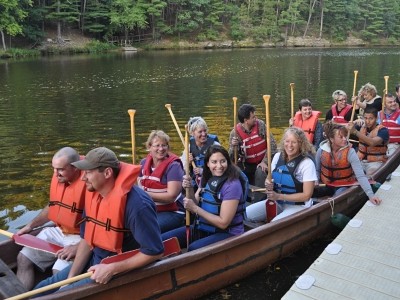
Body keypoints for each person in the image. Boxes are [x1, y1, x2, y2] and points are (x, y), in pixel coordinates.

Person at [33, 147, 163, 296]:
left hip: (117, 270)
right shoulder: (94, 194)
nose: (83, 178)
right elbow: (86, 240)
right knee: (40, 289)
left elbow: (155, 252)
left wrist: (112, 268)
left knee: (57, 297)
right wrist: (69, 280)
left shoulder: (138, 205)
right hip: (94, 260)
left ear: (107, 173)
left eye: (88, 172)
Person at [16, 147, 86, 290]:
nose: (55, 174)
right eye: (53, 168)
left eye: (60, 169)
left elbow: (102, 221)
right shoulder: (60, 178)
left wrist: (78, 247)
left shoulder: (90, 182)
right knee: (23, 258)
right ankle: (19, 296)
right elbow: (54, 206)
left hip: (81, 237)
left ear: (75, 167)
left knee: (58, 273)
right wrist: (31, 225)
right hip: (59, 230)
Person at [162, 145, 245, 251]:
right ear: (208, 164)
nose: (219, 166)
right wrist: (190, 188)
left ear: (228, 162)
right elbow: (195, 202)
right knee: (163, 241)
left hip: (227, 233)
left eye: (223, 161)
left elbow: (223, 223)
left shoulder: (232, 185)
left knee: (193, 249)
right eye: (214, 162)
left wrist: (195, 209)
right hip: (204, 228)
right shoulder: (207, 177)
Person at [246, 127, 317, 222]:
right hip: (277, 202)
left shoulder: (307, 163)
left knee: (274, 224)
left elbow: (307, 195)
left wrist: (279, 196)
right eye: (287, 141)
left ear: (300, 144)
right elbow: (269, 178)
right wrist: (268, 183)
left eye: (294, 142)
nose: (290, 145)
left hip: (299, 205)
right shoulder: (277, 156)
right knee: (245, 214)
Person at [312, 121, 382, 205]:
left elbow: (360, 176)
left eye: (345, 136)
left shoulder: (350, 152)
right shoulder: (321, 150)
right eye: (341, 137)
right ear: (331, 139)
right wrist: (316, 180)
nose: (345, 139)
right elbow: (317, 170)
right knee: (310, 191)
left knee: (337, 197)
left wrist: (371, 195)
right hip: (326, 184)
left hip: (343, 185)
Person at [138, 130, 185, 233]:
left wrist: (144, 194)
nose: (161, 149)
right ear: (149, 147)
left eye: (164, 145)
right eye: (157, 145)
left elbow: (171, 196)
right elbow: (138, 187)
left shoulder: (174, 166)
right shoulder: (143, 163)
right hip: (152, 210)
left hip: (173, 212)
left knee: (148, 229)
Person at [229, 103, 277, 202]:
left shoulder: (261, 125)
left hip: (263, 161)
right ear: (246, 121)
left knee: (260, 171)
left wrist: (265, 161)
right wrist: (234, 147)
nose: (256, 118)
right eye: (253, 117)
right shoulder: (235, 133)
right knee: (235, 172)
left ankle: (258, 201)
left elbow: (272, 144)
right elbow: (231, 157)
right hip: (247, 164)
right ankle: (240, 199)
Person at [348, 107, 389, 176]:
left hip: (376, 162)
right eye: (365, 118)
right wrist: (352, 123)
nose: (367, 121)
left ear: (376, 118)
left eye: (371, 118)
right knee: (348, 171)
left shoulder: (383, 131)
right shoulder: (361, 127)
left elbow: (372, 142)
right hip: (360, 160)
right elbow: (346, 130)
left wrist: (355, 132)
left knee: (370, 174)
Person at [181, 116, 220, 187]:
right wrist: (188, 162)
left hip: (212, 180)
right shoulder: (188, 148)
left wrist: (204, 171)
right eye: (200, 132)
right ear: (193, 133)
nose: (204, 134)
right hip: (195, 181)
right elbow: (183, 168)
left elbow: (222, 167)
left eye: (205, 131)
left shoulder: (215, 146)